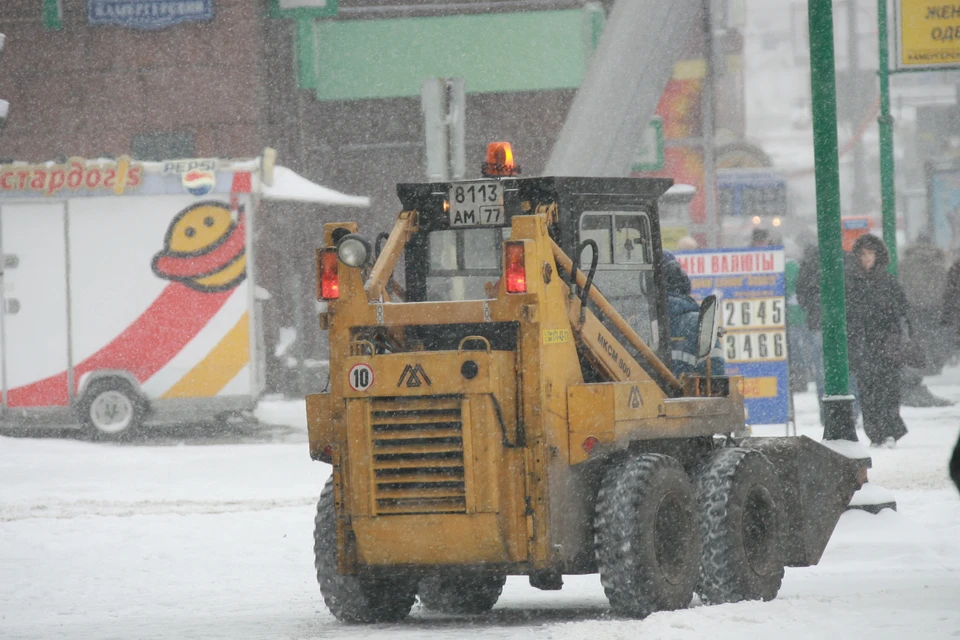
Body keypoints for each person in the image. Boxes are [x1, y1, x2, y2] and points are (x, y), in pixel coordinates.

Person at [845, 234, 910, 447]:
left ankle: (890, 429)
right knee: (868, 391)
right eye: (862, 254)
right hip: (863, 346)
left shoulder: (887, 282)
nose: (866, 259)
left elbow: (902, 311)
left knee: (888, 389)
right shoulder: (851, 282)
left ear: (877, 255)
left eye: (870, 254)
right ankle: (876, 432)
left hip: (886, 345)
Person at [663, 259, 724, 377]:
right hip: (688, 394)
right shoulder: (699, 323)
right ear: (684, 284)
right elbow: (715, 374)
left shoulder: (636, 324)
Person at [900, 234, 948, 374]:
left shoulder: (906, 262)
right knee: (935, 335)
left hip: (914, 305)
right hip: (935, 305)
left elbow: (902, 283)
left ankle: (922, 365)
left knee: (919, 335)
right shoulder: (938, 260)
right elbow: (945, 283)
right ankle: (935, 365)